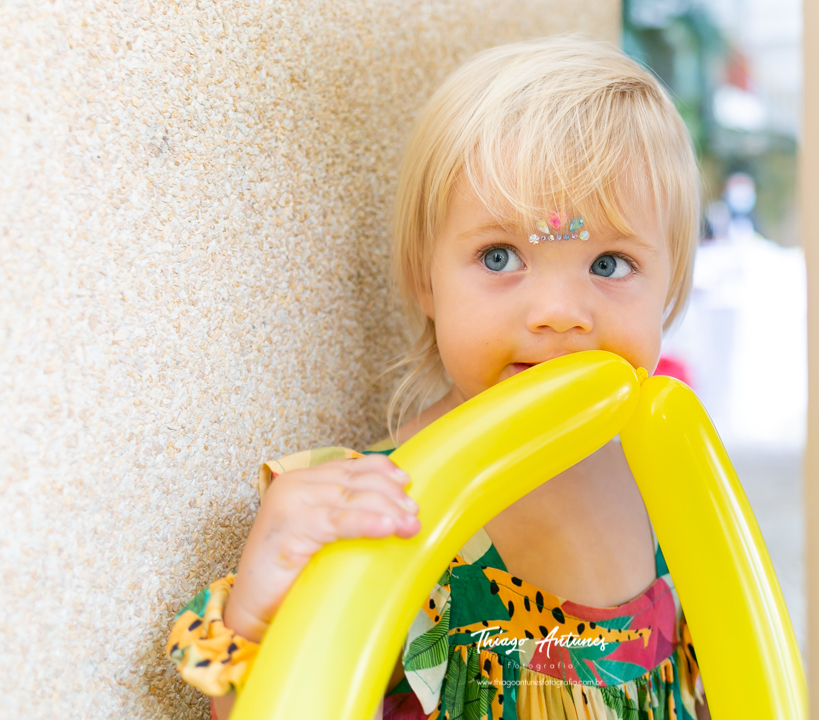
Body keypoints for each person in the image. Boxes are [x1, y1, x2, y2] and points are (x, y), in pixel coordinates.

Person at [166, 35, 710, 720]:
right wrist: (259, 611)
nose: (558, 314)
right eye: (500, 255)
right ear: (427, 279)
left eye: (609, 264)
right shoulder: (375, 505)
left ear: (670, 287)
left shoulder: (665, 475)